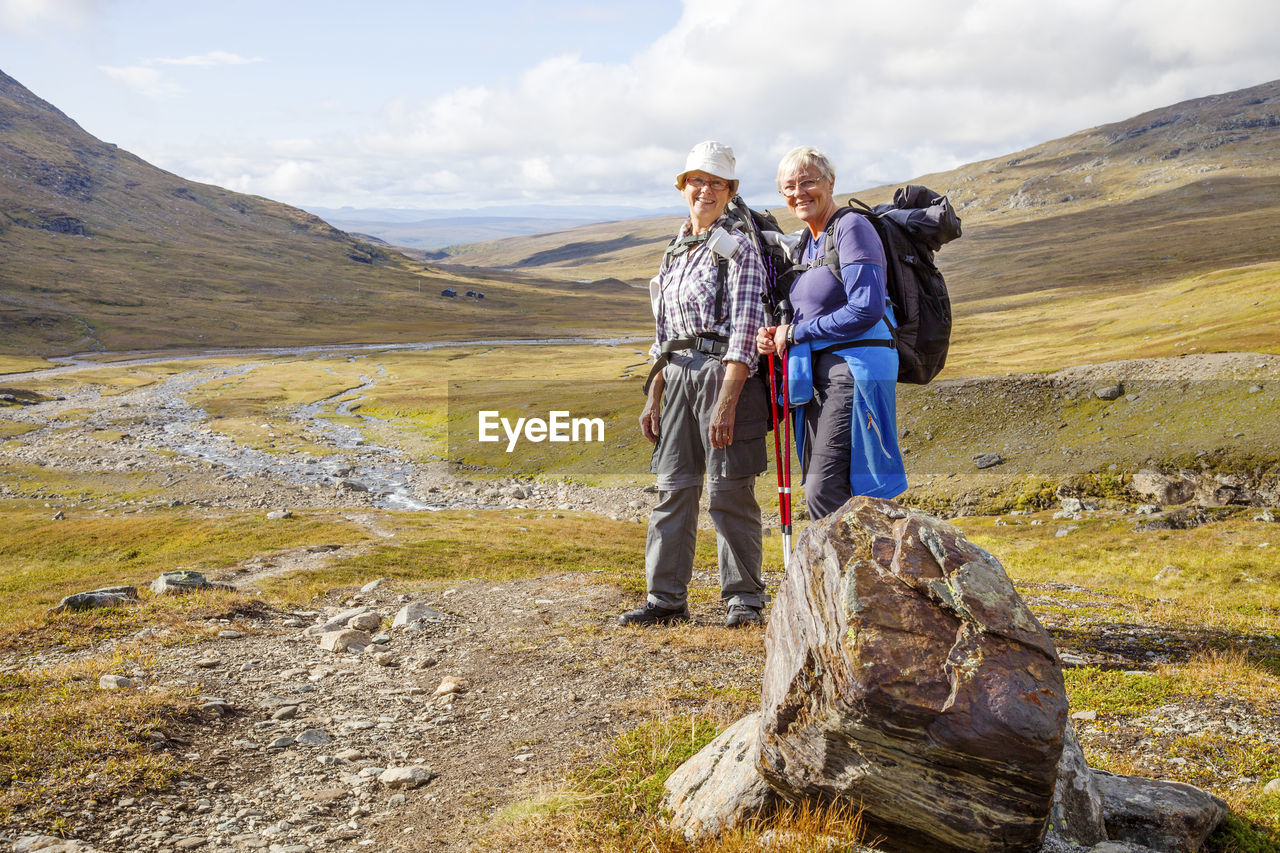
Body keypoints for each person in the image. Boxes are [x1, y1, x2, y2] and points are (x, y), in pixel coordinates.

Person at [618, 140, 771, 629]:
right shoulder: (676, 249)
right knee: (672, 488)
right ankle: (666, 600)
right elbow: (665, 335)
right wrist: (654, 394)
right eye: (696, 181)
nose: (704, 190)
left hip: (726, 378)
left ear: (730, 191)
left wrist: (727, 403)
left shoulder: (738, 247)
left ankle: (743, 599)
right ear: (683, 187)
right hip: (678, 376)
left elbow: (745, 330)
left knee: (729, 490)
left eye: (716, 183)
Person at [756, 146, 907, 521]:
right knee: (822, 487)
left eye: (808, 182)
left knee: (827, 489)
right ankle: (845, 576)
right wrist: (776, 334)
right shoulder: (807, 243)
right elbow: (810, 311)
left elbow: (866, 307)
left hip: (854, 369)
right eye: (788, 187)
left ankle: (862, 575)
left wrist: (794, 334)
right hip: (814, 375)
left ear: (831, 182)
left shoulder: (852, 228)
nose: (798, 193)